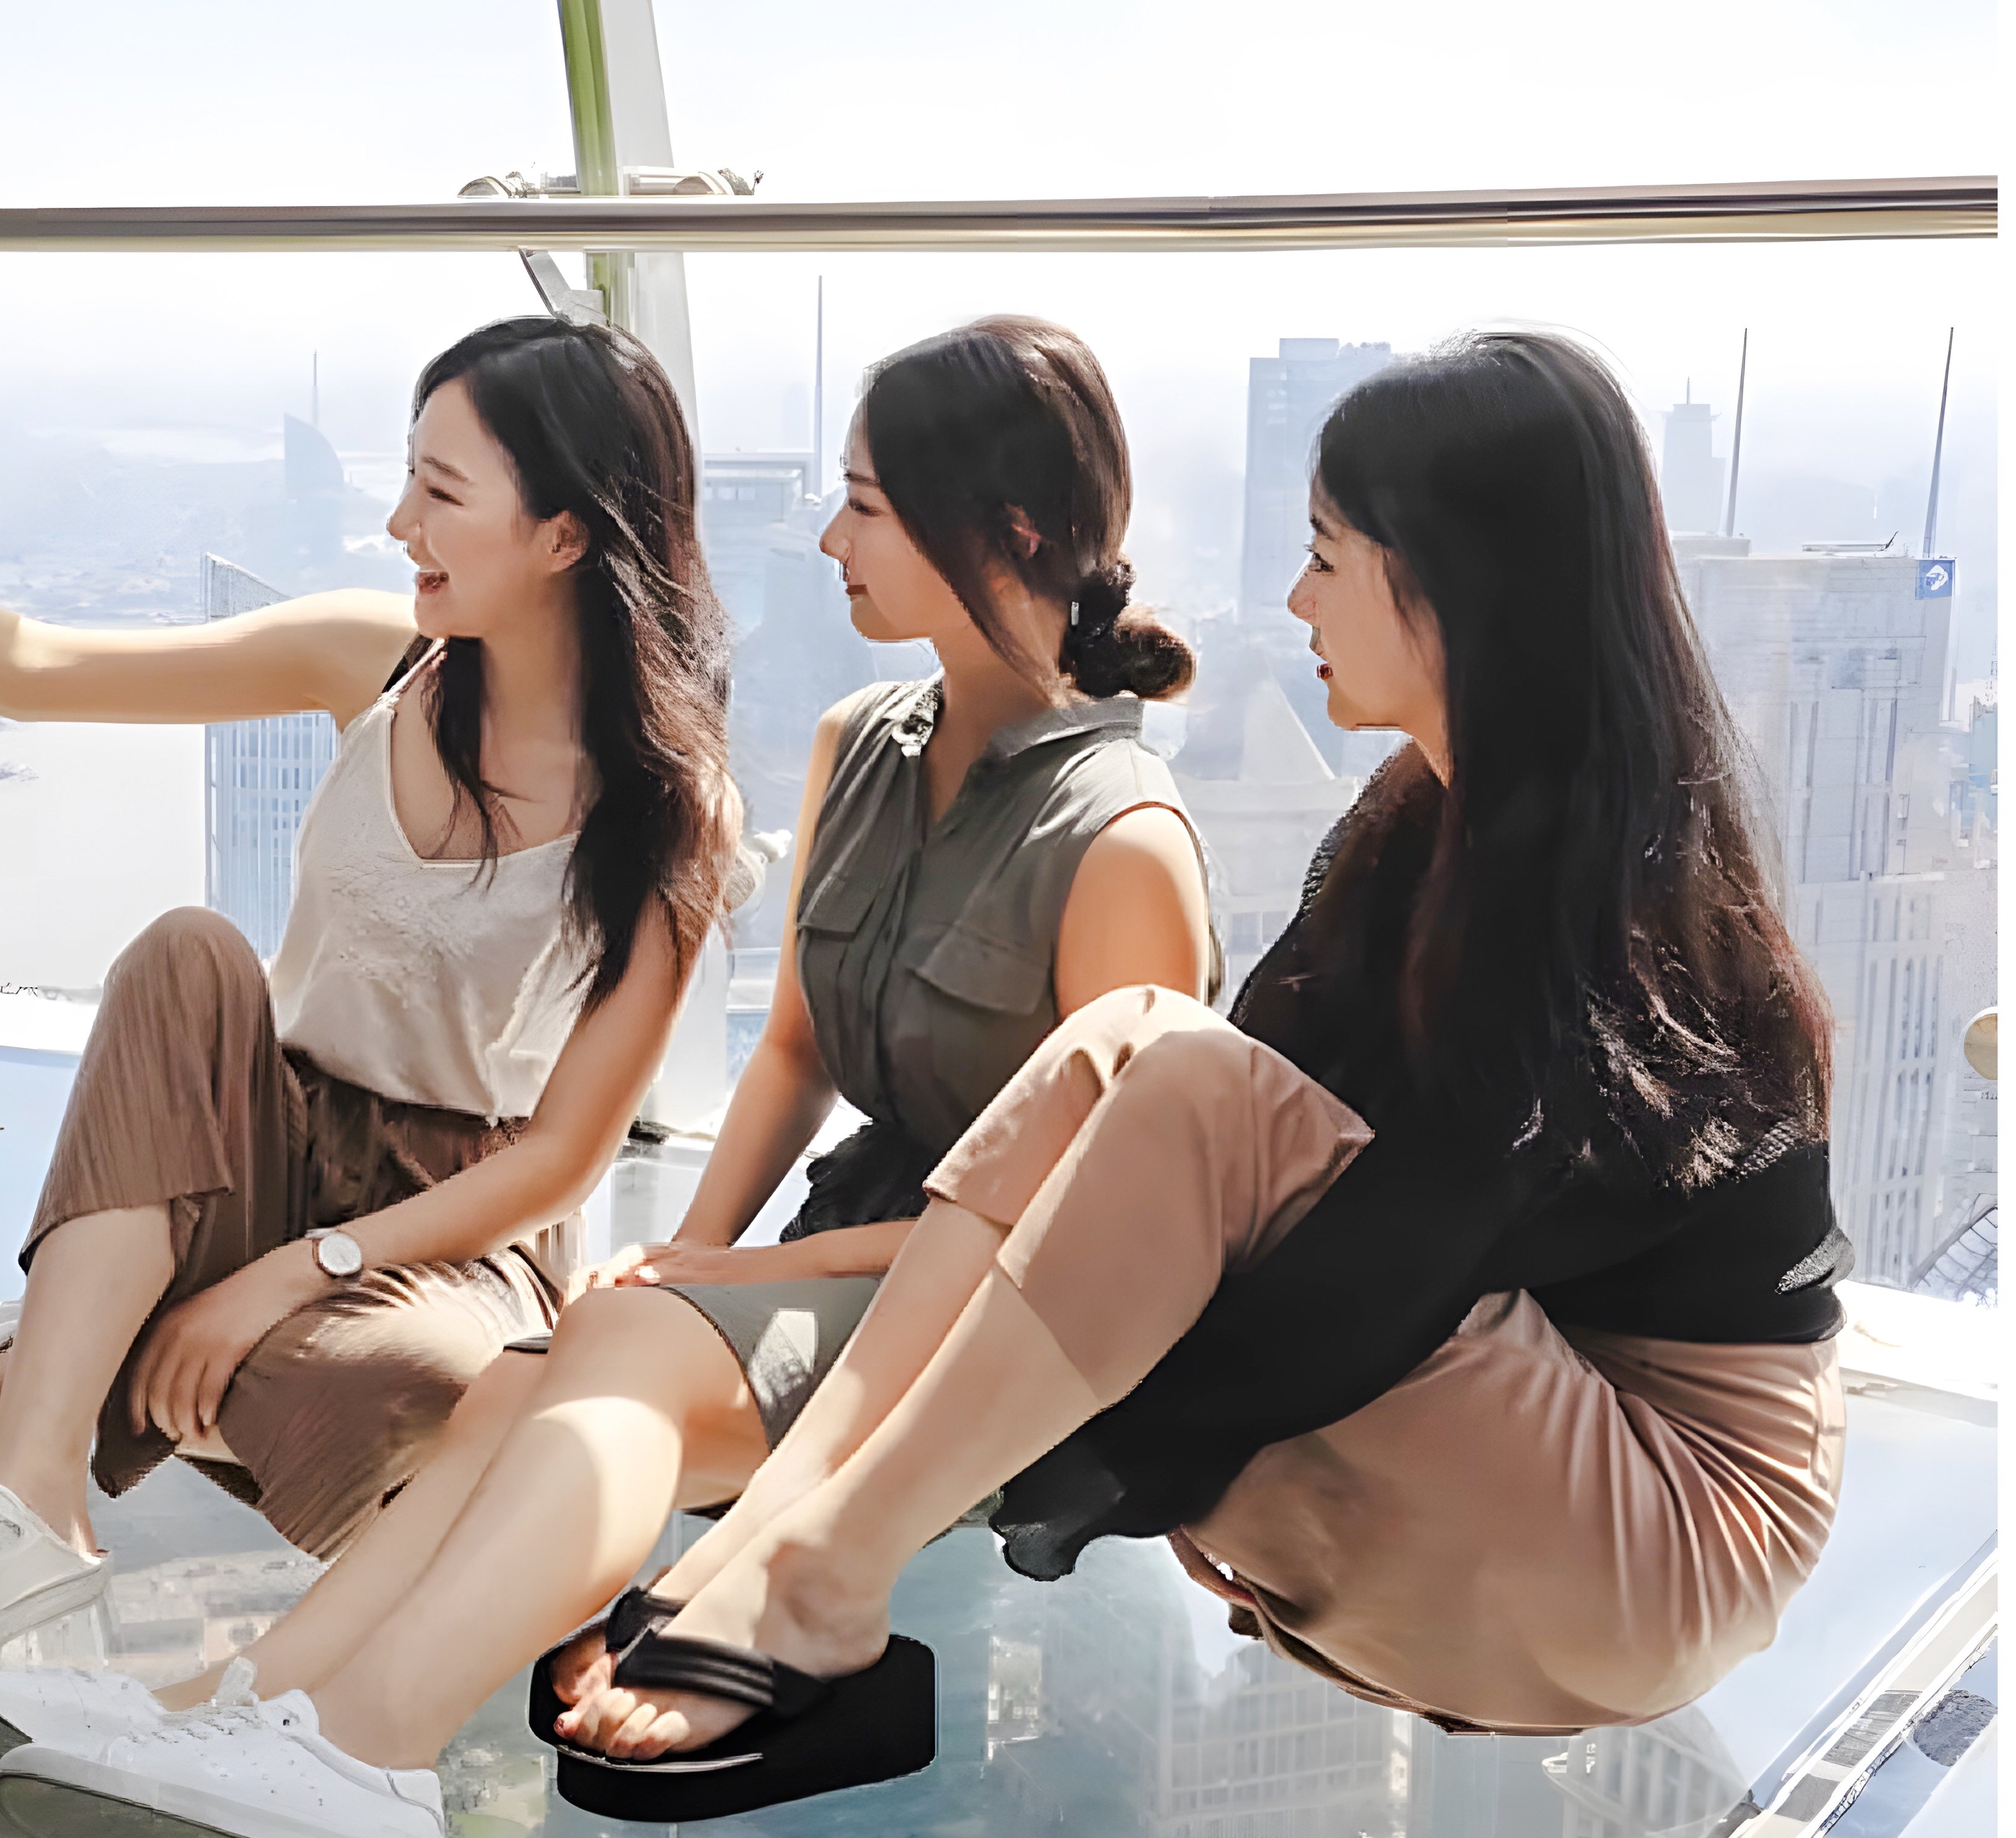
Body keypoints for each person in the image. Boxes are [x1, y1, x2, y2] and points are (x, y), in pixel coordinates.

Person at [0, 316, 1220, 1838]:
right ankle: (247, 1722)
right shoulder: (864, 743)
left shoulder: (1122, 842)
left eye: (868, 506)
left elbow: (1092, 1229)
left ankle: (349, 1732)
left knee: (576, 1369)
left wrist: (724, 1274)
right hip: (822, 1261)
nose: (829, 535)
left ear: (1007, 530)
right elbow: (791, 1051)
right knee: (537, 1371)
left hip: (989, 1315)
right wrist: (703, 1249)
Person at [534, 327, 1848, 1790]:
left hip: (1662, 1530)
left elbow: (1383, 1264)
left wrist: (1116, 1473)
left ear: (1458, 586)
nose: (1296, 598)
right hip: (1501, 1446)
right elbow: (1183, 1142)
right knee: (1124, 1048)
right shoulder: (1423, 824)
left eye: (1330, 555)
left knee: (1167, 1063)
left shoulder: (1609, 884)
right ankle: (788, 1537)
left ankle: (830, 1573)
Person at [0, 316, 739, 1692]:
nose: (400, 522)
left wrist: (308, 1270)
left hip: (453, 1230)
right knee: (186, 952)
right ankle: (31, 1488)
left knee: (407, 1397)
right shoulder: (380, 663)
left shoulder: (669, 811)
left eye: (442, 493)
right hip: (247, 1144)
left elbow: (565, 1161)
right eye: (406, 477)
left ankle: (35, 1348)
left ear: (567, 535)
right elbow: (37, 669)